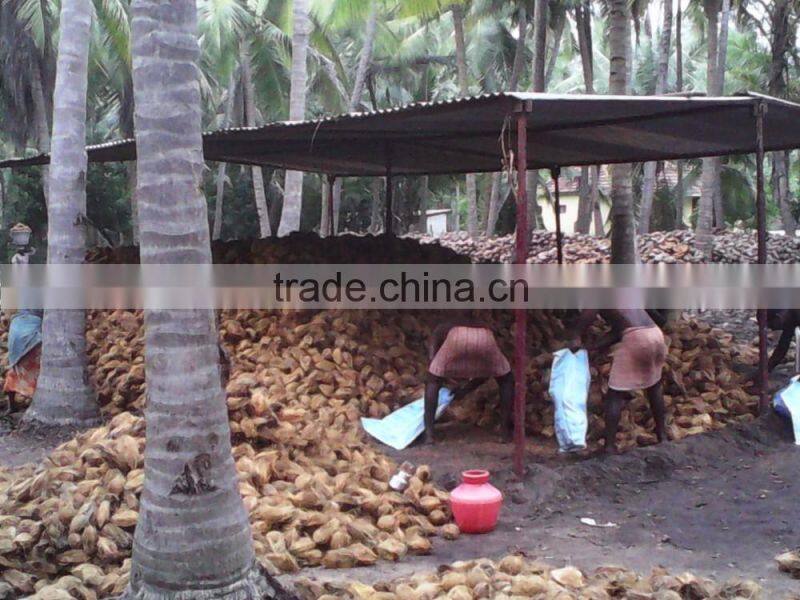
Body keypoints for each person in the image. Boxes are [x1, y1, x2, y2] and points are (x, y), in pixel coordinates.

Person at [567, 309, 668, 453]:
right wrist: (593, 347)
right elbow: (619, 332)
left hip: (636, 337)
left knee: (615, 394)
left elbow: (589, 312)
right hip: (655, 334)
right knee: (654, 386)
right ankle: (662, 436)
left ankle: (609, 446)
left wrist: (575, 336)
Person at [424, 315, 514, 444]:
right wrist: (466, 389)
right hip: (485, 337)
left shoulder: (447, 321)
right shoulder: (482, 321)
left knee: (432, 382)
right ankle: (505, 432)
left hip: (457, 337)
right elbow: (488, 372)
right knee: (506, 379)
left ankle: (429, 434)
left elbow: (436, 336)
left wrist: (432, 366)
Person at [3, 309, 44, 412]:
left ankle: (11, 406)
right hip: (32, 333)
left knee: (15, 370)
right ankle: (36, 405)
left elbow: (8, 318)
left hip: (16, 331)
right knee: (36, 373)